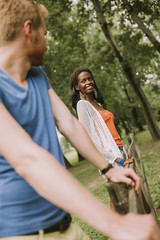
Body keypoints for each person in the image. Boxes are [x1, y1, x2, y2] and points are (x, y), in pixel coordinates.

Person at [0, 1, 159, 240]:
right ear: (28, 30)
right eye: (45, 35)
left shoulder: (37, 74)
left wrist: (108, 169)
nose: (47, 44)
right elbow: (27, 159)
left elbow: (70, 124)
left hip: (64, 222)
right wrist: (115, 224)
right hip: (22, 232)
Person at [70, 67, 135, 210]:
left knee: (125, 194)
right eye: (83, 81)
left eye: (89, 78)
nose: (88, 82)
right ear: (77, 87)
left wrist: (123, 152)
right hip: (111, 158)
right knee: (119, 196)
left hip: (119, 151)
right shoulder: (83, 105)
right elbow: (88, 138)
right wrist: (118, 159)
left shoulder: (97, 104)